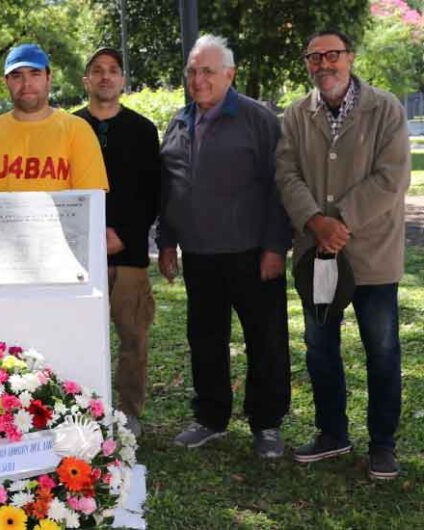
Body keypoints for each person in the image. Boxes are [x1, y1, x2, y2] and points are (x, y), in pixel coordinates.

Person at [275, 29, 410, 479]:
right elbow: (286, 174)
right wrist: (316, 223)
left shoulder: (385, 108)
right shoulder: (296, 114)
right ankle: (333, 433)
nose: (323, 64)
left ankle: (383, 445)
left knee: (383, 350)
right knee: (320, 348)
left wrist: (341, 221)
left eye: (332, 55)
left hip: (371, 254)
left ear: (350, 58)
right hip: (318, 255)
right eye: (314, 57)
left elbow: (391, 178)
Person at [159, 35, 291, 458]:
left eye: (208, 71)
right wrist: (166, 244)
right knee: (205, 339)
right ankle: (211, 418)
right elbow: (170, 189)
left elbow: (280, 186)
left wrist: (275, 246)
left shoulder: (258, 118)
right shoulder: (179, 121)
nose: (199, 79)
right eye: (193, 72)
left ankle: (266, 424)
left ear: (230, 75)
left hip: (253, 254)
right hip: (199, 255)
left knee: (265, 340)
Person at [74, 48, 160, 436]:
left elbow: (151, 193)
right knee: (79, 336)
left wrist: (122, 235)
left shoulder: (143, 129)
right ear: (86, 81)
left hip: (130, 255)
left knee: (132, 337)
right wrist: (91, 235)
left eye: (113, 71)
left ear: (123, 80)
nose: (105, 77)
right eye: (97, 71)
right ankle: (80, 408)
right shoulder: (69, 127)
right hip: (78, 256)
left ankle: (129, 412)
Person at [0, 43, 108, 192]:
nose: (26, 84)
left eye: (35, 73)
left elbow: (89, 203)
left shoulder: (78, 131)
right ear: (6, 82)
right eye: (17, 76)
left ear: (48, 78)